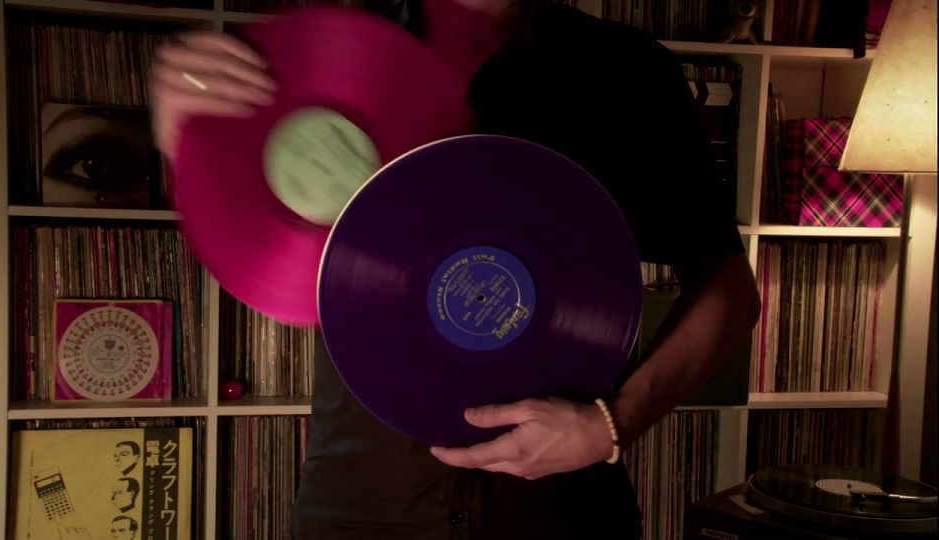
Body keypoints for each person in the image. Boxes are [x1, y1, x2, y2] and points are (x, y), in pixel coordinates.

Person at [149, 0, 762, 538]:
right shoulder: (322, 54)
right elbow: (258, 242)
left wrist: (614, 425)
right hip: (363, 510)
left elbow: (730, 290)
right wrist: (194, 142)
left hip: (560, 514)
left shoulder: (626, 71)